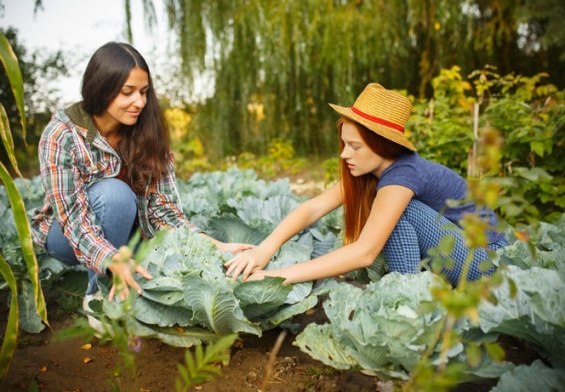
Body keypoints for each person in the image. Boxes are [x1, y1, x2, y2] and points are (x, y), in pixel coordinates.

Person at [31, 42, 252, 309]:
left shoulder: (147, 131)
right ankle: (97, 298)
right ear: (101, 88)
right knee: (116, 196)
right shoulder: (62, 135)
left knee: (158, 271)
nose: (140, 102)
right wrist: (111, 259)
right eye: (128, 93)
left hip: (127, 234)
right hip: (64, 236)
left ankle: (121, 280)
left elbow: (164, 214)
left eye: (144, 92)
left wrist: (216, 246)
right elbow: (74, 220)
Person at [225, 83, 507, 287]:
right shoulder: (372, 171)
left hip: (488, 264)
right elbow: (312, 208)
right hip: (460, 256)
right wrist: (265, 249)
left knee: (399, 212)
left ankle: (404, 295)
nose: (344, 154)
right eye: (344, 144)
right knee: (394, 212)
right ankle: (404, 293)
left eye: (355, 146)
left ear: (381, 144)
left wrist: (277, 276)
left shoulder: (403, 175)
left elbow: (364, 252)